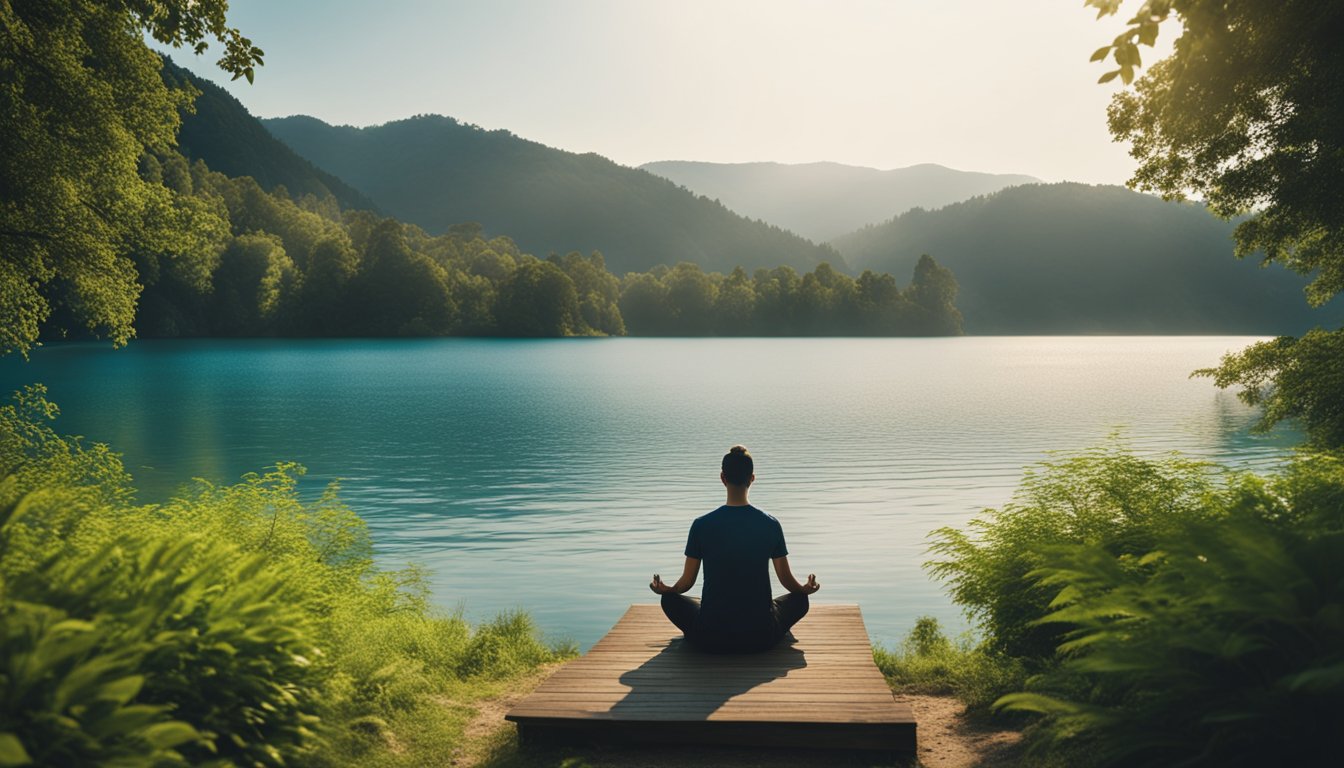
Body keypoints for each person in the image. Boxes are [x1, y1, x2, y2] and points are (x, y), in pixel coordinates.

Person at [650, 445, 820, 653]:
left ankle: (705, 621)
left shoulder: (701, 525)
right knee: (800, 601)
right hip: (761, 635)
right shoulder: (770, 524)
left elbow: (686, 583)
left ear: (722, 478)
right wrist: (805, 589)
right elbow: (786, 580)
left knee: (669, 601)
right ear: (752, 479)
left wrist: (667, 590)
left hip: (710, 635)